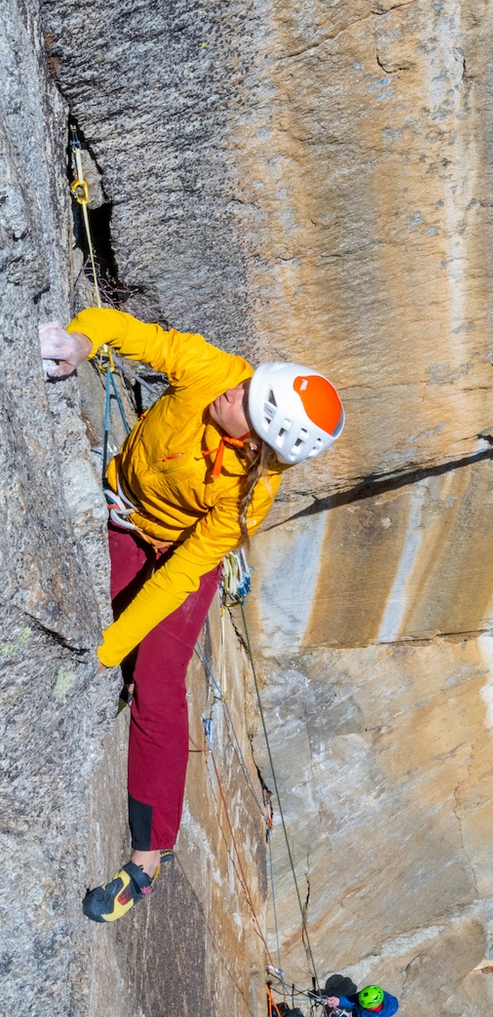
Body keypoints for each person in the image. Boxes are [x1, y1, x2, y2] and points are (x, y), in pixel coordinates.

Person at [39, 307, 345, 923]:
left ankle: (147, 858)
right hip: (126, 515)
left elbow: (179, 575)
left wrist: (110, 645)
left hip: (185, 559)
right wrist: (79, 341)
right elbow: (130, 332)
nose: (235, 384)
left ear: (254, 437)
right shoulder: (214, 373)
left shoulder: (246, 499)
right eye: (247, 382)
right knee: (92, 606)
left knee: (156, 686)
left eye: (246, 396)